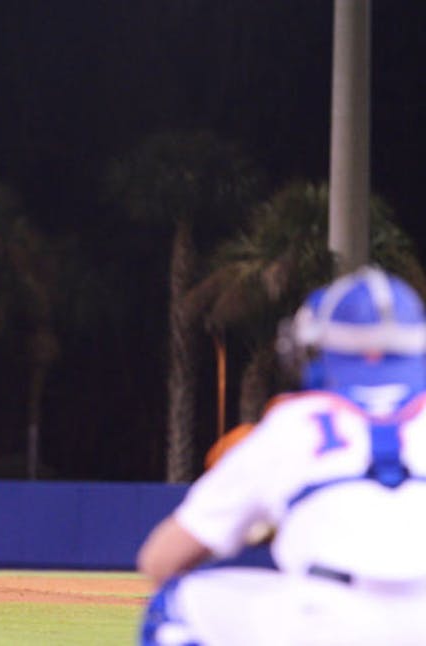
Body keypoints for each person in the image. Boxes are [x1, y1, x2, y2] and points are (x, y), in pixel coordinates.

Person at [137, 266, 426, 645]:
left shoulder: (294, 421)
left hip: (327, 619)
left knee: (175, 605)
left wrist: (274, 522)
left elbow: (160, 560)